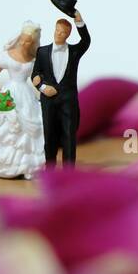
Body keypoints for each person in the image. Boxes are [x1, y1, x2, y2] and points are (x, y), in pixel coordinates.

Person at [0, 21, 46, 178]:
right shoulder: (7, 55)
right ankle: (3, 163)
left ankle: (26, 164)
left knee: (27, 128)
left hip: (25, 94)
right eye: (22, 40)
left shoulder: (34, 59)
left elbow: (36, 79)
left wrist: (43, 90)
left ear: (33, 42)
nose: (24, 43)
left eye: (28, 41)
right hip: (10, 92)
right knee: (7, 127)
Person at [32, 9, 90, 166]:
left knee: (69, 136)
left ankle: (68, 172)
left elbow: (86, 41)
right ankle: (50, 169)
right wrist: (43, 87)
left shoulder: (74, 51)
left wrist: (79, 19)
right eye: (57, 30)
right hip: (48, 100)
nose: (59, 34)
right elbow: (35, 76)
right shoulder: (42, 51)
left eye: (63, 32)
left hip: (68, 100)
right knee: (49, 134)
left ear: (68, 34)